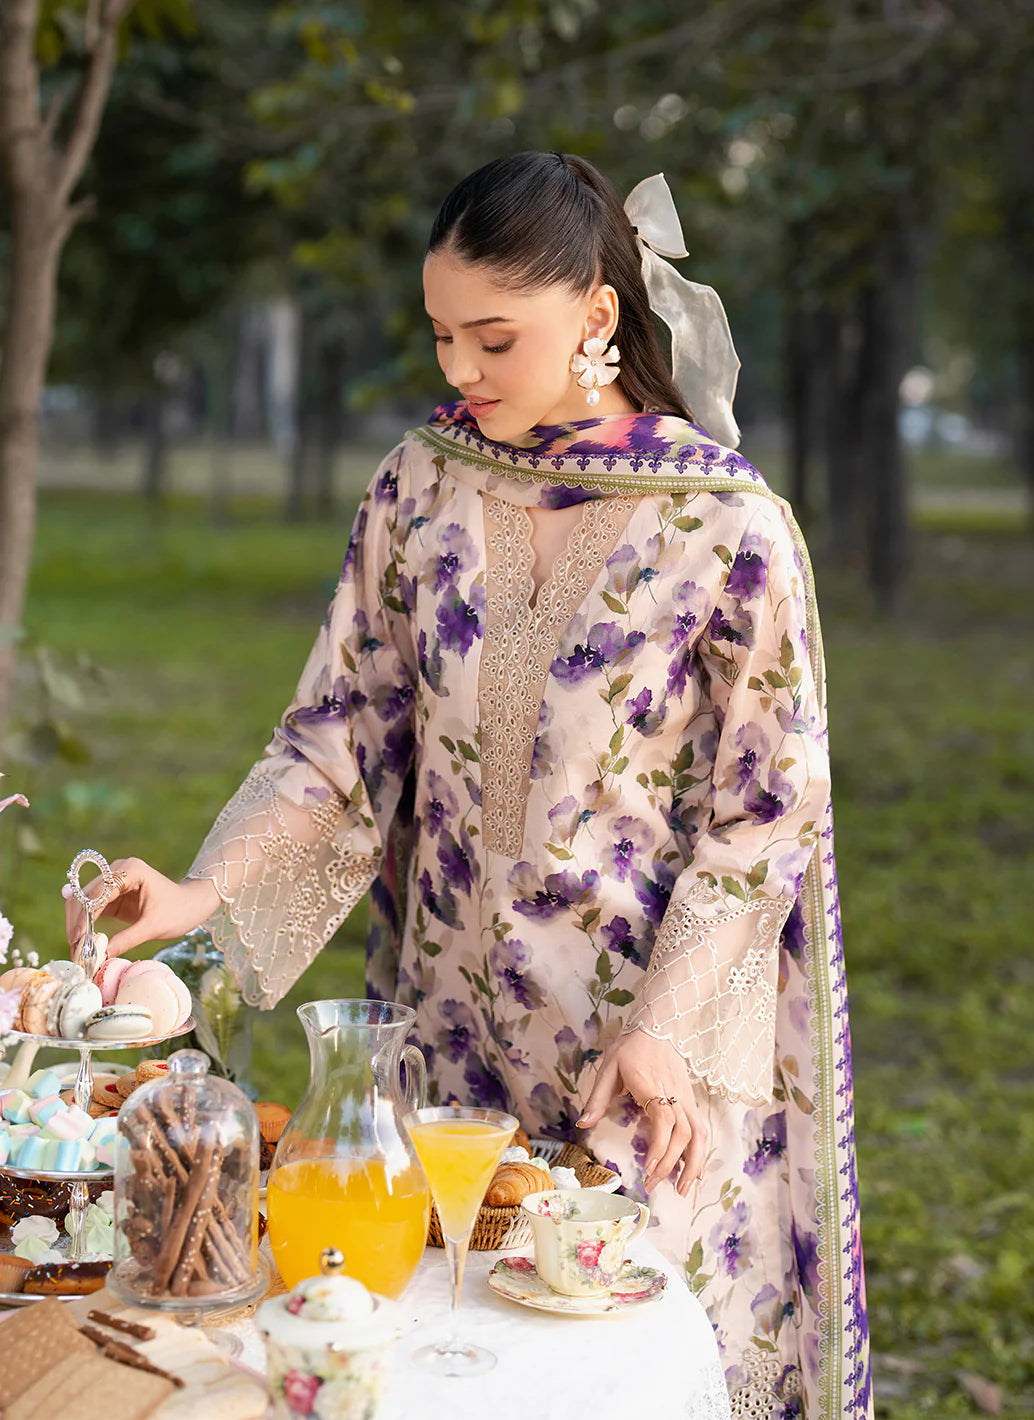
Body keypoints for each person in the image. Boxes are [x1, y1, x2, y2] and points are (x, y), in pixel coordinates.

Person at [66, 152, 871, 1416]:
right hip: (447, 1034)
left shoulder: (725, 526)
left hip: (643, 1051)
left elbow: (767, 816)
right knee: (452, 1356)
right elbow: (339, 733)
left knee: (611, 1363)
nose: (460, 368)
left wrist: (662, 1027)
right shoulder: (421, 483)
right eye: (442, 334)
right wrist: (198, 891)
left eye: (494, 338)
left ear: (598, 314)